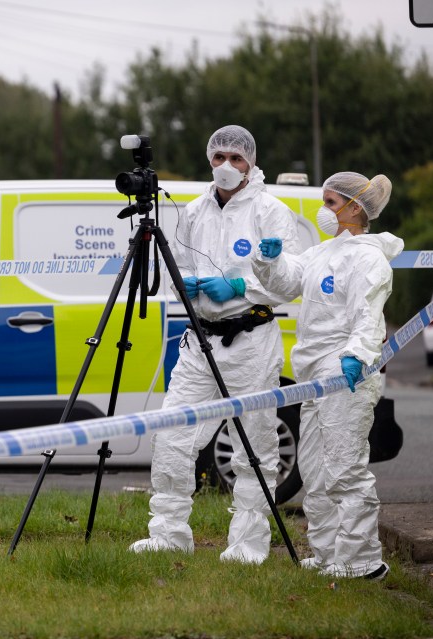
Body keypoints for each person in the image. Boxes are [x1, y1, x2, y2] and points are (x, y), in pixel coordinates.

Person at [128, 125, 301, 563]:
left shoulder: (271, 211)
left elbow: (290, 283)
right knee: (172, 433)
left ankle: (247, 544)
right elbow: (174, 269)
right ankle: (168, 533)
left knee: (253, 443)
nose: (227, 166)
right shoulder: (193, 211)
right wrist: (185, 284)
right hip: (200, 340)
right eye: (219, 156)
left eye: (236, 159)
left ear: (251, 162)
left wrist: (241, 285)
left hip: (251, 339)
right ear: (209, 159)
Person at [252, 172, 403, 580]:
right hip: (315, 374)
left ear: (356, 208)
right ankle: (327, 553)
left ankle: (362, 561)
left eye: (331, 203)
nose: (323, 210)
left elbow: (367, 314)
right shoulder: (322, 253)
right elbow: (285, 282)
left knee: (344, 467)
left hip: (345, 373)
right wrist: (269, 260)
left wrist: (356, 356)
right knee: (315, 468)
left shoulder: (368, 257)